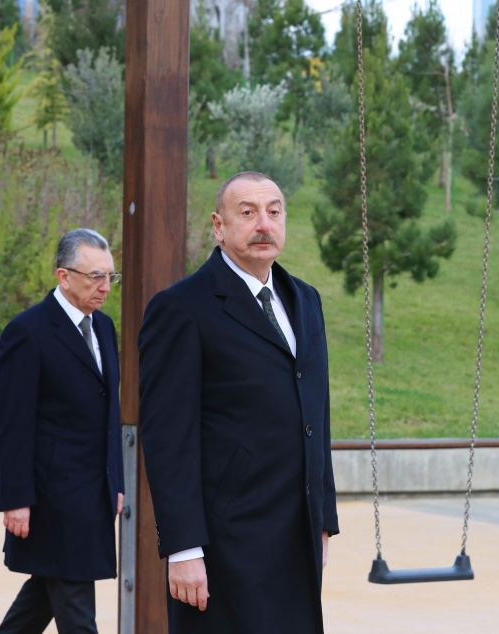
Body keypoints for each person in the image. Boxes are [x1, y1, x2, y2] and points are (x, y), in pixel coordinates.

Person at [139, 171, 340, 633]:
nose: (263, 224)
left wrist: (323, 518)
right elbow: (168, 438)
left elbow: (317, 415)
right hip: (223, 545)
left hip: (296, 536)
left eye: (273, 211)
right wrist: (184, 549)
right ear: (219, 225)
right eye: (247, 213)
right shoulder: (182, 308)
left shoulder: (305, 300)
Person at [0, 228, 124, 634]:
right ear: (63, 276)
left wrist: (114, 480)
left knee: (41, 599)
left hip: (92, 494)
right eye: (95, 277)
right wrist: (16, 499)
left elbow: (109, 414)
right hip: (52, 498)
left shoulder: (103, 328)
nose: (105, 287)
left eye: (110, 277)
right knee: (77, 612)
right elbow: (11, 424)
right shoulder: (28, 332)